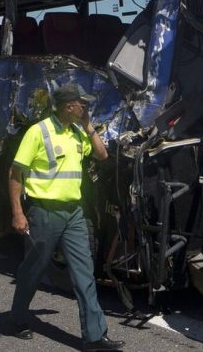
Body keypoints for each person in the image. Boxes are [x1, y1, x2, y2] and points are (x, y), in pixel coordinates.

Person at [8, 83, 124, 351]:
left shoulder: (76, 132)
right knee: (33, 270)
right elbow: (16, 174)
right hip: (44, 212)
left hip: (74, 213)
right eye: (82, 104)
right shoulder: (38, 132)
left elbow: (102, 154)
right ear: (69, 106)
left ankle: (95, 336)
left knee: (84, 273)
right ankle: (17, 318)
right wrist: (17, 212)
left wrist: (88, 125)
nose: (86, 107)